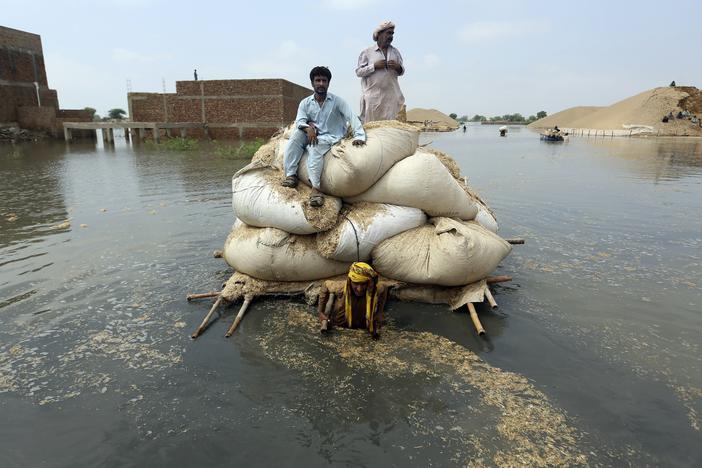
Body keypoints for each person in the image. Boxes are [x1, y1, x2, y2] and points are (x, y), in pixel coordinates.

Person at [281, 66, 366, 207]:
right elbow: (300, 121)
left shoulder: (337, 102)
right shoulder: (305, 103)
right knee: (295, 136)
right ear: (312, 83)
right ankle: (291, 175)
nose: (321, 83)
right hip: (311, 134)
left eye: (324, 80)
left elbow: (352, 118)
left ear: (328, 83)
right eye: (318, 80)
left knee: (314, 147)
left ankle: (316, 189)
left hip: (331, 137)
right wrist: (308, 128)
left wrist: (359, 136)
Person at [318, 262, 388, 338]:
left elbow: (384, 288)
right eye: (356, 283)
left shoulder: (373, 289)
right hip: (339, 326)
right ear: (350, 281)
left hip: (363, 327)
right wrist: (321, 312)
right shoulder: (340, 288)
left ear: (368, 283)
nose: (359, 289)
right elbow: (325, 285)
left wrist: (379, 312)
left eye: (363, 284)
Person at [356, 20, 405, 123]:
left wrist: (398, 67)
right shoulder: (367, 52)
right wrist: (374, 66)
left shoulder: (395, 52)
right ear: (379, 34)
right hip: (373, 98)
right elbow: (359, 72)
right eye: (388, 33)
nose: (391, 36)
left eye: (392, 34)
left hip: (391, 97)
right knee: (372, 127)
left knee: (391, 129)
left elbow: (402, 71)